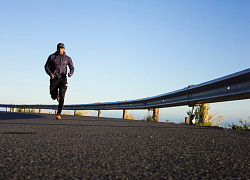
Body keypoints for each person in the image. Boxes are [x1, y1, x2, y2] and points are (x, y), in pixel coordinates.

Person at [45, 43, 74, 119]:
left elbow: (72, 68)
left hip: (63, 78)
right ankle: (56, 95)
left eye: (61, 48)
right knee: (53, 96)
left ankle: (58, 113)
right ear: (57, 49)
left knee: (62, 96)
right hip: (54, 78)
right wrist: (50, 73)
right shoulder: (52, 57)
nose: (60, 50)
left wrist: (71, 73)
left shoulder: (68, 58)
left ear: (64, 49)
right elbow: (46, 66)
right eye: (59, 48)